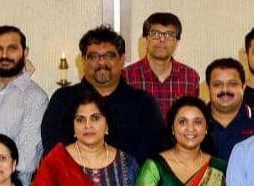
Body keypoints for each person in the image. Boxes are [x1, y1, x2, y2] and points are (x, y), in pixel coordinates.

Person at [41, 28, 164, 164]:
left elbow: (152, 156)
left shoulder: (143, 103)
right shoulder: (63, 100)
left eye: (109, 56)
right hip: (72, 182)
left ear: (122, 59)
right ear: (82, 60)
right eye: (93, 56)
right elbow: (55, 152)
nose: (101, 63)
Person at [0, 26, 49, 184]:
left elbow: (27, 159)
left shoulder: (35, 98)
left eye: (12, 48)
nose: (4, 55)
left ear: (25, 52)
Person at [123, 12, 200, 119]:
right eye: (155, 34)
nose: (162, 40)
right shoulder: (126, 76)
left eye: (169, 35)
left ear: (177, 42)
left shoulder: (190, 77)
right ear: (145, 39)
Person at [205, 58, 254, 160]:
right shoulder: (194, 123)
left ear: (243, 87)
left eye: (232, 84)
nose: (225, 90)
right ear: (208, 88)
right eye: (217, 84)